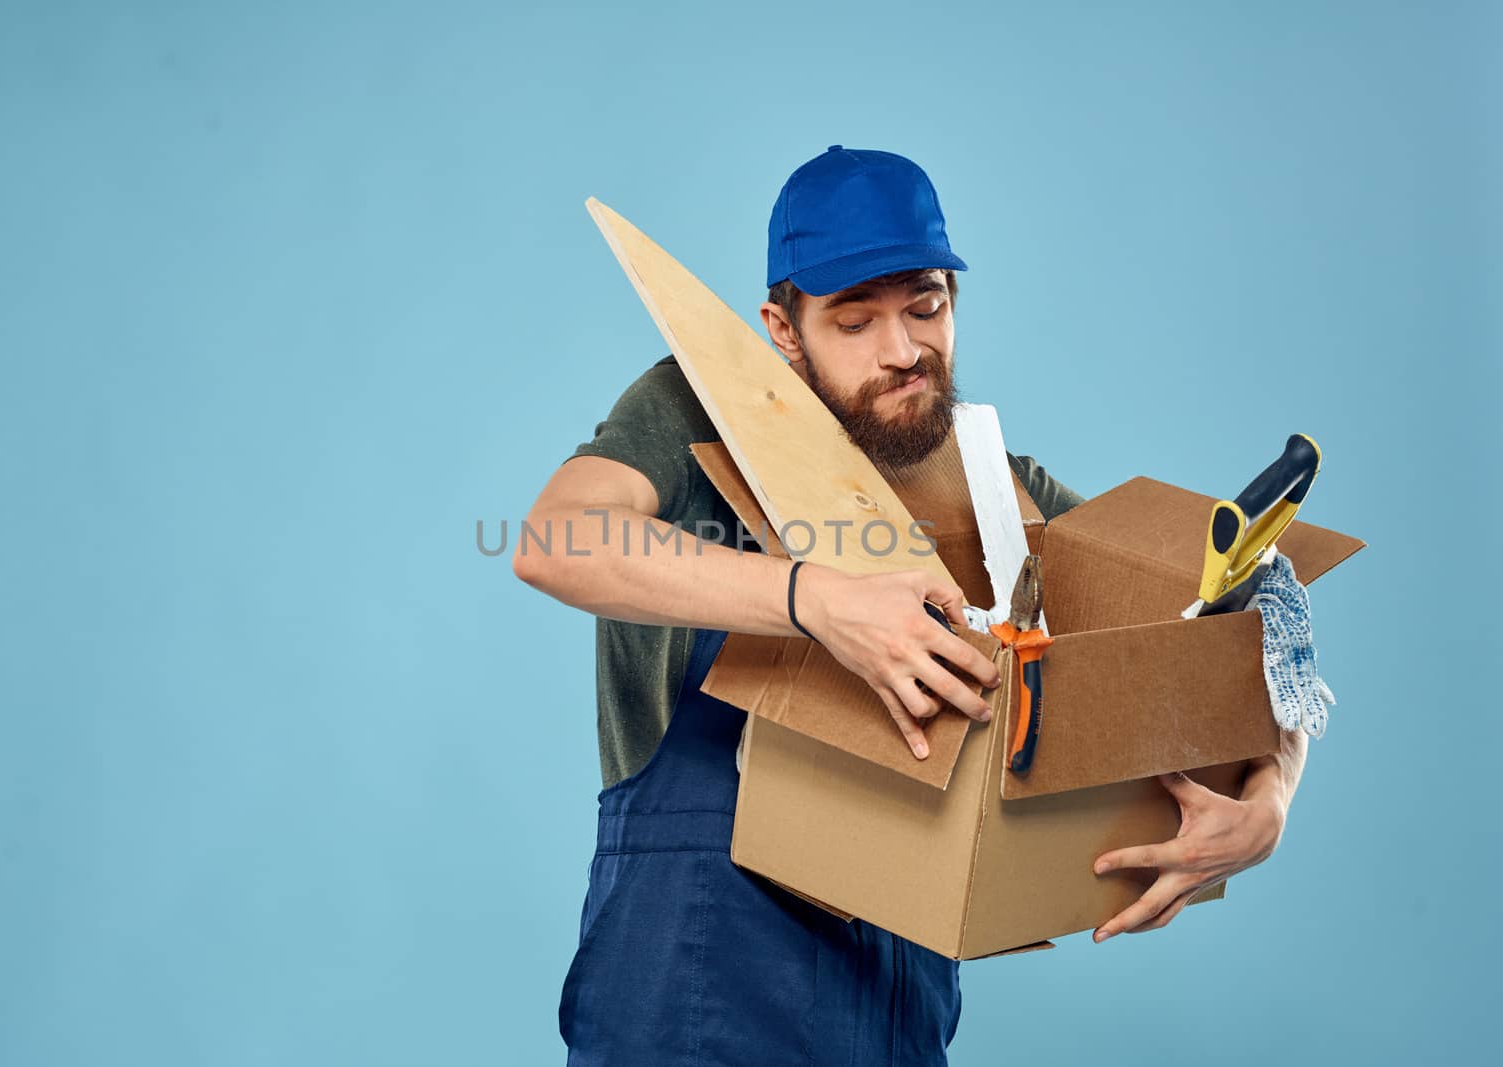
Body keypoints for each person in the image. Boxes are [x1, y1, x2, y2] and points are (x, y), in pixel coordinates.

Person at [514, 145, 1308, 1066]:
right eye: (854, 322)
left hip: (898, 994)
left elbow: (1246, 612)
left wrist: (1271, 796)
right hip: (693, 969)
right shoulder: (699, 406)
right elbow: (556, 537)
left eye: (925, 308)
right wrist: (820, 601)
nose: (902, 351)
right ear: (782, 327)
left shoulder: (998, 488)